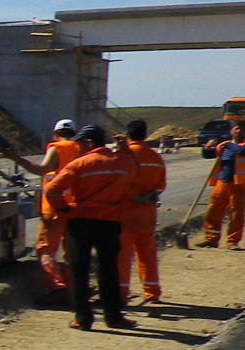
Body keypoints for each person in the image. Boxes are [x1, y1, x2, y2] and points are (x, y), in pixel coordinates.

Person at [43, 124, 138, 331]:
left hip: (80, 223)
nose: (77, 148)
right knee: (108, 270)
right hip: (110, 222)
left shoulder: (80, 164)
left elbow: (51, 190)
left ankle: (83, 319)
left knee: (79, 271)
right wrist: (125, 149)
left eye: (80, 144)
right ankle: (113, 317)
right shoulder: (122, 162)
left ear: (89, 142)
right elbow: (134, 172)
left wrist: (63, 209)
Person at [5, 119, 80, 298]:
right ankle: (74, 287)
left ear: (55, 134)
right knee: (72, 251)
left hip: (54, 209)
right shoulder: (80, 149)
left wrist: (16, 158)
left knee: (46, 249)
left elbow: (41, 169)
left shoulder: (57, 148)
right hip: (75, 207)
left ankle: (57, 286)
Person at [116, 119, 165, 303]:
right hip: (148, 214)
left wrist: (135, 196)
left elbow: (120, 182)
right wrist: (149, 196)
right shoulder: (156, 158)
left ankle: (120, 293)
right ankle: (152, 291)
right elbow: (161, 186)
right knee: (147, 253)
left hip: (126, 213)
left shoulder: (125, 156)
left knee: (122, 256)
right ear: (145, 135)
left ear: (128, 135)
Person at [200, 121, 245, 248]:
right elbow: (208, 154)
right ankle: (211, 239)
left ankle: (232, 241)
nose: (239, 131)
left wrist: (228, 144)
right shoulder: (224, 146)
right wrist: (207, 148)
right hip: (221, 184)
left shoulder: (235, 145)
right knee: (213, 211)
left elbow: (241, 150)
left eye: (242, 129)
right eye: (237, 128)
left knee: (236, 214)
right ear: (231, 131)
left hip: (238, 185)